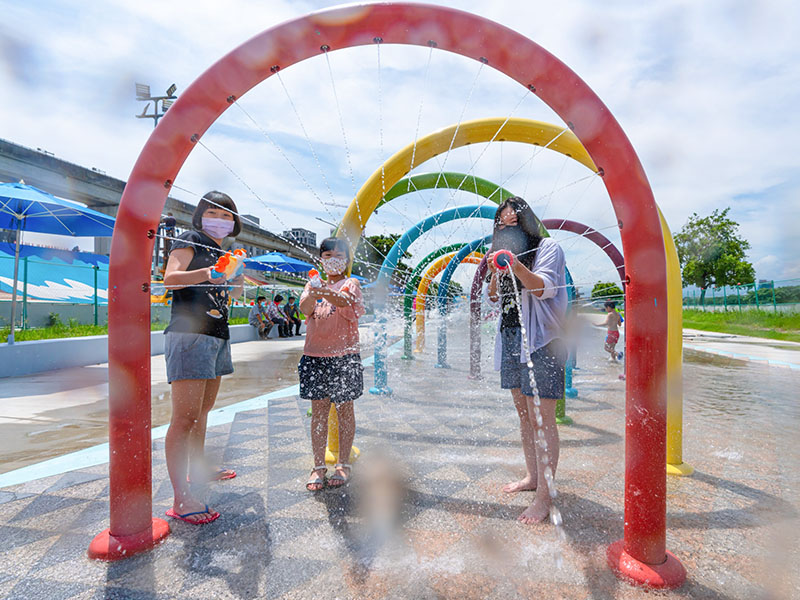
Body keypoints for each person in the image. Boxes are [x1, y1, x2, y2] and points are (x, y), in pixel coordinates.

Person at [162, 191, 243, 525]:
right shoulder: (190, 238)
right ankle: (181, 498)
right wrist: (208, 273)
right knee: (184, 418)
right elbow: (170, 279)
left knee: (203, 411)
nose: (221, 220)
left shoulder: (222, 251)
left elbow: (231, 293)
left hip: (216, 335)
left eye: (227, 215)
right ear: (200, 215)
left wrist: (234, 277)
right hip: (190, 335)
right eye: (214, 212)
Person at [486, 196, 567, 524]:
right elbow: (494, 296)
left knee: (542, 418)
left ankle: (545, 498)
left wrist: (515, 263)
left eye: (515, 223)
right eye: (502, 224)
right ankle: (533, 478)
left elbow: (542, 289)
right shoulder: (501, 258)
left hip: (542, 339)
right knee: (523, 415)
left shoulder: (548, 248)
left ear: (528, 223)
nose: (508, 229)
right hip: (510, 337)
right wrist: (496, 271)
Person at [298, 237, 365, 491]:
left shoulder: (351, 283)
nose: (332, 260)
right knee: (319, 412)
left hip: (344, 356)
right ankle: (318, 466)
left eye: (338, 255)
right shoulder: (312, 284)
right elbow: (305, 309)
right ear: (321, 259)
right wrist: (313, 293)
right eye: (327, 256)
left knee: (344, 409)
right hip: (315, 356)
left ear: (346, 260)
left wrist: (322, 292)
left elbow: (343, 302)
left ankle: (343, 463)